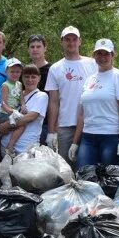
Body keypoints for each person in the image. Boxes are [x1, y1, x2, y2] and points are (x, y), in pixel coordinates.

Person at [70, 39, 119, 169]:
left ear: (112, 55)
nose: (102, 57)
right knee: (84, 176)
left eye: (106, 54)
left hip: (111, 136)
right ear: (94, 56)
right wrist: (75, 142)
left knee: (108, 181)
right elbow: (82, 113)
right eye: (99, 54)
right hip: (88, 137)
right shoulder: (89, 79)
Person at [46, 26, 97, 164]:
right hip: (65, 125)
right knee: (66, 167)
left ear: (80, 41)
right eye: (67, 39)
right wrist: (51, 131)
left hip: (91, 123)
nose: (71, 42)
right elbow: (54, 102)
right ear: (62, 42)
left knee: (89, 166)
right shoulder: (55, 68)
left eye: (74, 39)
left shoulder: (93, 64)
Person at [1, 65, 48, 156]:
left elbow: (30, 117)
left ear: (39, 78)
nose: (30, 80)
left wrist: (4, 126)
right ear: (22, 78)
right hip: (4, 146)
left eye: (33, 77)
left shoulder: (41, 96)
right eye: (26, 76)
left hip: (25, 149)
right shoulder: (17, 94)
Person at [0, 58, 23, 136]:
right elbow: (3, 103)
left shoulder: (19, 84)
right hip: (3, 113)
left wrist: (23, 105)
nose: (15, 74)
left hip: (13, 113)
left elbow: (21, 97)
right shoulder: (5, 85)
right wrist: (12, 112)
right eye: (12, 71)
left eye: (17, 72)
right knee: (21, 125)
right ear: (6, 72)